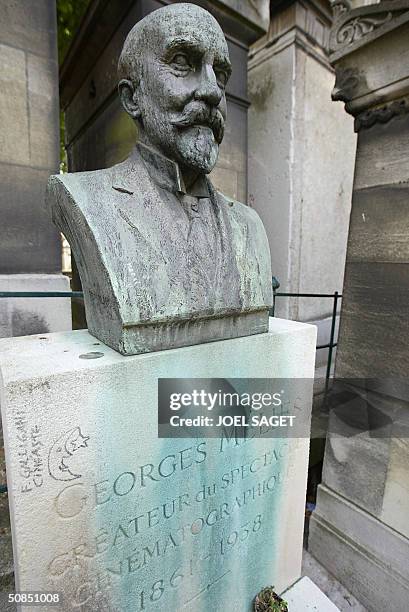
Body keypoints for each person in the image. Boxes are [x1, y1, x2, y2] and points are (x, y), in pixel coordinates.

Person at [47, 3, 272, 355]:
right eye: (183, 62)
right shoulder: (86, 199)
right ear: (132, 97)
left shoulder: (250, 227)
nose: (213, 92)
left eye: (221, 75)